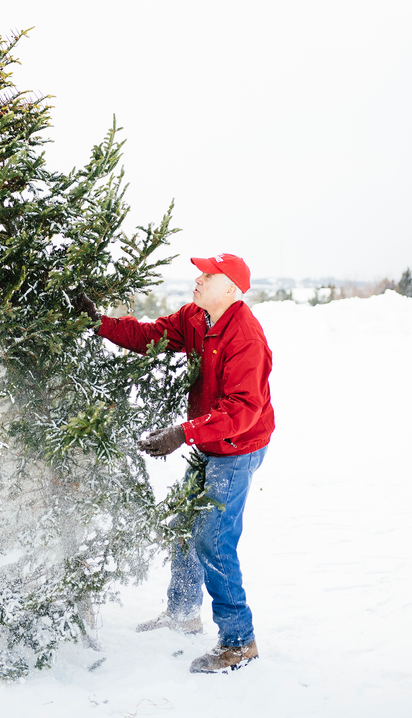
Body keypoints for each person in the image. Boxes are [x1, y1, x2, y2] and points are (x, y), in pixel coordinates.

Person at [77, 253, 275, 674]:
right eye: (200, 272)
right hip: (209, 442)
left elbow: (245, 410)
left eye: (209, 275)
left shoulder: (246, 337)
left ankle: (239, 642)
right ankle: (183, 613)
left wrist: (181, 433)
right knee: (187, 525)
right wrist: (101, 324)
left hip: (238, 448)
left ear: (231, 289)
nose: (198, 279)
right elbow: (151, 334)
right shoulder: (197, 318)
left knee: (213, 539)